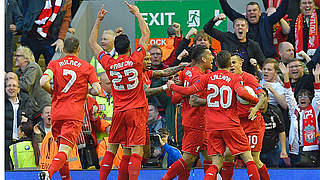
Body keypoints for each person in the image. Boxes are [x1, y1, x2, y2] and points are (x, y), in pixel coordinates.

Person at [167, 50, 261, 180]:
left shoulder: (208, 77)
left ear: (216, 63)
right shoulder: (235, 78)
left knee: (215, 162)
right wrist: (256, 101)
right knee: (248, 158)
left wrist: (172, 86)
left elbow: (189, 90)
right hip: (230, 124)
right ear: (230, 64)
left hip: (211, 126)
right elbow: (242, 94)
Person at [88, 2, 150, 180]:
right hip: (136, 110)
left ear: (116, 48)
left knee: (113, 147)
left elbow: (92, 42)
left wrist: (98, 20)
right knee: (136, 150)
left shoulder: (109, 63)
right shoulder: (136, 59)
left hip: (118, 111)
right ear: (130, 47)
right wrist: (137, 13)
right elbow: (146, 34)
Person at [39, 36, 101, 180]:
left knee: (62, 150)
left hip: (57, 113)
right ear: (78, 49)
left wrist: (53, 92)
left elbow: (43, 82)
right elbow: (97, 90)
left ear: (64, 49)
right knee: (65, 151)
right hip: (73, 114)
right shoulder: (87, 66)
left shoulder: (55, 64)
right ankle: (48, 173)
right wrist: (85, 92)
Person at [162, 45, 214, 180]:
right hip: (197, 122)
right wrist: (214, 102)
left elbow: (175, 97)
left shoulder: (187, 72)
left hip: (193, 121)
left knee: (209, 156)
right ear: (203, 59)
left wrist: (176, 89)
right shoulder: (199, 77)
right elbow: (194, 101)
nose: (213, 58)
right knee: (188, 159)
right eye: (210, 56)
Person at [221, 54, 269, 180]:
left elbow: (262, 96)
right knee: (228, 155)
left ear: (241, 63)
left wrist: (255, 108)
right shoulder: (227, 79)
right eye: (229, 63)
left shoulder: (248, 78)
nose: (231, 65)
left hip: (252, 123)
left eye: (234, 62)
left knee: (254, 158)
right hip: (236, 123)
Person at [280, 62, 320, 167]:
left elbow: (318, 94)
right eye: (300, 96)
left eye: (306, 96)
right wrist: (285, 76)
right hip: (295, 150)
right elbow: (288, 94)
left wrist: (316, 77)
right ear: (297, 99)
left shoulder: (314, 109)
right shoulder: (294, 109)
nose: (303, 98)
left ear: (310, 99)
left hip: (312, 149)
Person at [219, 0, 288, 58]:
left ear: (259, 13)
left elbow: (281, 11)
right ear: (246, 14)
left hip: (267, 59)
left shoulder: (267, 21)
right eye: (249, 11)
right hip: (250, 61)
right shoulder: (243, 22)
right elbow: (228, 11)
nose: (252, 12)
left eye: (254, 10)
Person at [16, 0, 72, 65]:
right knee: (28, 68)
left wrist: (61, 38)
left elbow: (66, 19)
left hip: (50, 40)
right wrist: (21, 25)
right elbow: (20, 8)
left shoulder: (66, 1)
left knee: (52, 69)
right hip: (31, 37)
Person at [15, 46, 52, 124]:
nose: (15, 58)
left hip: (42, 107)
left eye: (18, 56)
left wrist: (11, 80)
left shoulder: (33, 67)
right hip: (33, 108)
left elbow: (25, 85)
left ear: (26, 58)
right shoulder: (19, 72)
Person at [5, 78, 33, 170]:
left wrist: (27, 120)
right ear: (5, 89)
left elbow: (31, 119)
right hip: (6, 143)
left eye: (14, 86)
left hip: (21, 142)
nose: (11, 88)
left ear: (18, 89)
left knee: (20, 170)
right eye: (8, 86)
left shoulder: (25, 102)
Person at [260, 88, 288, 167]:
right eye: (258, 96)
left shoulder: (275, 111)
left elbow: (281, 131)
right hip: (256, 151)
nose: (261, 99)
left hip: (272, 150)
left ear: (268, 99)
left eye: (264, 96)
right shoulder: (251, 112)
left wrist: (283, 150)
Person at [5, 0, 23, 72]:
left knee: (7, 71)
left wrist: (16, 27)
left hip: (7, 43)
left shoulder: (11, 1)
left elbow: (20, 19)